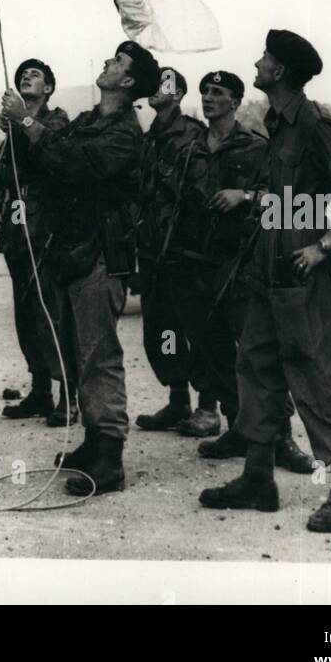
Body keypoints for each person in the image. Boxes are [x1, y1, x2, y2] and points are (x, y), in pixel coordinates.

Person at [199, 31, 331, 532]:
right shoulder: (277, 124)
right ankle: (257, 480)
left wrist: (323, 247)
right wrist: (254, 203)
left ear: (278, 72)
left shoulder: (316, 123)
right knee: (256, 369)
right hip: (266, 273)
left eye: (264, 59)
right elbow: (287, 201)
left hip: (302, 278)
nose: (256, 63)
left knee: (320, 377)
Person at [1, 40, 160, 497]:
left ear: (127, 82)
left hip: (101, 254)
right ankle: (94, 442)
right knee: (77, 351)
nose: (108, 63)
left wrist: (27, 120)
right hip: (72, 250)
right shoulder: (90, 120)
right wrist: (19, 125)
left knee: (99, 355)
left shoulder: (124, 132)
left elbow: (77, 164)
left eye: (117, 63)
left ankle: (109, 459)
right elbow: (46, 158)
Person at [192, 72, 313, 474]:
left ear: (235, 102)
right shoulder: (192, 147)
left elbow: (282, 199)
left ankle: (282, 438)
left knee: (259, 355)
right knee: (216, 353)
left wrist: (243, 196)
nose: (209, 98)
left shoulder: (256, 146)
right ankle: (238, 428)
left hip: (243, 264)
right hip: (199, 263)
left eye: (218, 93)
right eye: (205, 92)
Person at [0, 59, 73, 424]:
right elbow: (0, 171)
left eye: (34, 76)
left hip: (46, 229)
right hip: (18, 231)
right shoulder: (13, 128)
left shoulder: (58, 120)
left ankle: (69, 395)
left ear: (47, 88)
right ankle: (40, 391)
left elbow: (55, 155)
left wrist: (17, 120)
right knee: (26, 314)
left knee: (53, 314)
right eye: (22, 76)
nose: (25, 78)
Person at [133, 67, 205, 433]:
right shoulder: (150, 138)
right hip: (152, 250)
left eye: (164, 82)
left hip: (184, 251)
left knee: (196, 327)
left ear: (177, 93)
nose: (155, 88)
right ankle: (179, 400)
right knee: (163, 329)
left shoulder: (193, 135)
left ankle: (209, 407)